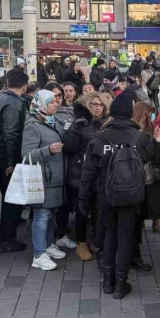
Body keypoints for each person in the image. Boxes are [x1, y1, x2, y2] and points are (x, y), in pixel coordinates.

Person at [79, 93, 160, 298]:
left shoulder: (98, 137)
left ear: (112, 112)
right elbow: (155, 160)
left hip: (105, 195)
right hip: (131, 196)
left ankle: (108, 282)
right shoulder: (141, 138)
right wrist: (157, 142)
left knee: (109, 235)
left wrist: (83, 199)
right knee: (125, 237)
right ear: (130, 113)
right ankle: (121, 284)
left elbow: (87, 173)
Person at [21, 90, 68, 271]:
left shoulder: (51, 121)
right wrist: (47, 150)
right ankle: (39, 255)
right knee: (41, 216)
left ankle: (48, 245)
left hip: (54, 177)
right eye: (51, 102)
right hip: (41, 179)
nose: (56, 104)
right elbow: (26, 155)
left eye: (56, 101)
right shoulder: (33, 125)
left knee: (50, 214)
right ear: (41, 104)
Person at [61, 91, 110, 261]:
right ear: (88, 105)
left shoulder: (107, 123)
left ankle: (96, 239)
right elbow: (68, 148)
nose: (97, 108)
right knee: (82, 210)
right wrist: (76, 129)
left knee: (98, 209)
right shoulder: (80, 123)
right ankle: (81, 243)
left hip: (101, 174)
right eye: (94, 104)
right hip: (80, 173)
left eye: (100, 104)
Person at [0, 68, 30, 253]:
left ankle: (7, 237)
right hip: (6, 157)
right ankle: (6, 240)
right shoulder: (14, 103)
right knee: (12, 199)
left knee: (9, 197)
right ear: (24, 86)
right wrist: (11, 163)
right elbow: (11, 134)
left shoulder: (1, 99)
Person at [131, 101, 160, 269]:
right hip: (139, 181)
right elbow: (153, 156)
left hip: (137, 181)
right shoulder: (142, 135)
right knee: (135, 218)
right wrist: (156, 141)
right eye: (151, 115)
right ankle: (135, 254)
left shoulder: (144, 131)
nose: (153, 118)